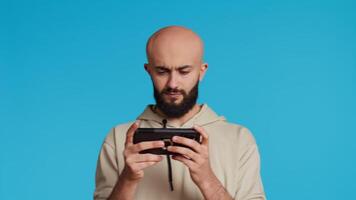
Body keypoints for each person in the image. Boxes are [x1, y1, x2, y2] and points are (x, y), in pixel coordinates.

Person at [94, 26, 266, 200]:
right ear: (149, 71)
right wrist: (128, 179)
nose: (173, 83)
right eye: (162, 71)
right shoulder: (118, 137)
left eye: (184, 71)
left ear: (202, 71)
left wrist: (207, 179)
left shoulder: (239, 138)